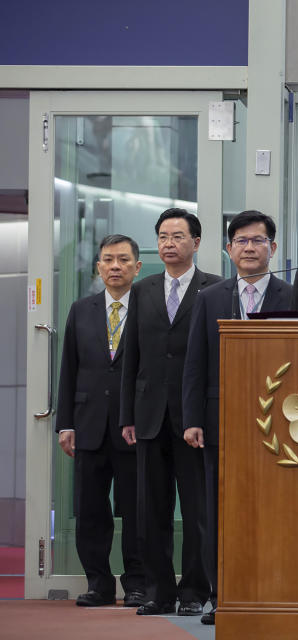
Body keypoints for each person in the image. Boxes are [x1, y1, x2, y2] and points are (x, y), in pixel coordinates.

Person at [182, 210, 293, 625]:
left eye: (258, 241)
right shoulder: (210, 297)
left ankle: (275, 590)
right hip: (218, 420)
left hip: (280, 423)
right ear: (229, 249)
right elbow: (195, 363)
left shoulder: (291, 295)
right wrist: (192, 418)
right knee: (219, 511)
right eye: (242, 241)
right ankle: (221, 595)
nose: (250, 248)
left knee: (276, 508)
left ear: (273, 248)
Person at [119, 208, 221, 616]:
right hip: (148, 415)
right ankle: (158, 592)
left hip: (192, 417)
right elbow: (132, 357)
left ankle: (194, 591)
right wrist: (128, 413)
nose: (168, 243)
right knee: (150, 509)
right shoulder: (141, 291)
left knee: (197, 510)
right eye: (162, 236)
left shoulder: (214, 289)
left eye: (177, 236)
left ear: (196, 243)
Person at [55, 234, 145, 608]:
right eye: (108, 260)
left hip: (134, 426)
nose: (115, 267)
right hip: (88, 423)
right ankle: (98, 583)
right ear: (98, 267)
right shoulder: (81, 309)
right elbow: (69, 369)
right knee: (91, 508)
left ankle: (138, 583)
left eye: (124, 260)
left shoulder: (149, 307)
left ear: (137, 267)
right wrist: (66, 423)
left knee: (138, 509)